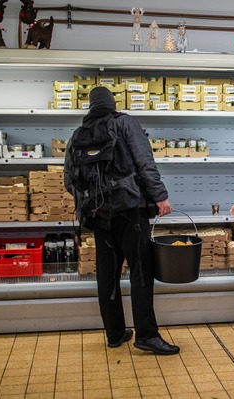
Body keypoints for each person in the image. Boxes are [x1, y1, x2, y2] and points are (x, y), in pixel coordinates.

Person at [64, 86, 179, 355]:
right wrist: (160, 197)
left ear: (90, 106)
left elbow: (69, 180)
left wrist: (95, 200)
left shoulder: (77, 135)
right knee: (141, 272)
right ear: (111, 103)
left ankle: (115, 334)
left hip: (98, 216)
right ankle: (147, 335)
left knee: (107, 276)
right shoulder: (125, 122)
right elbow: (145, 162)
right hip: (130, 212)